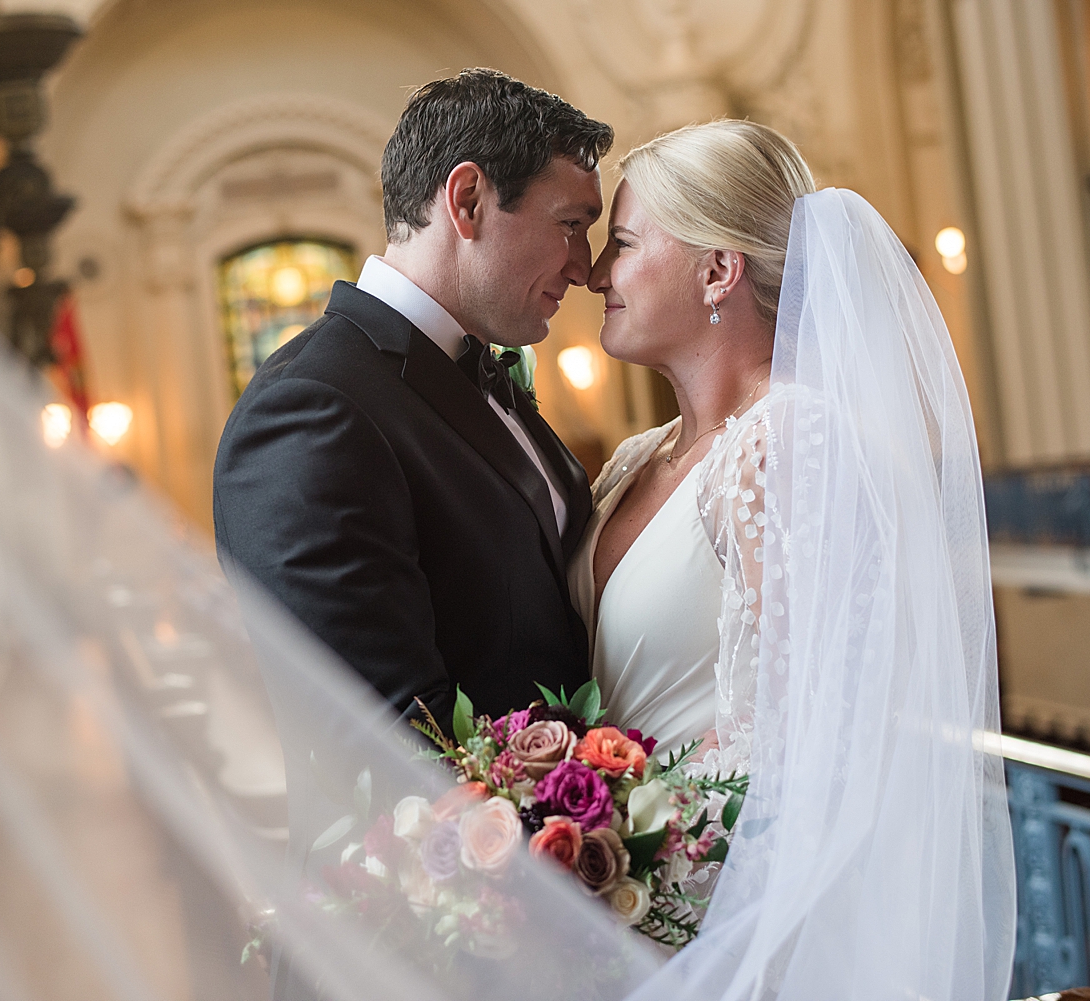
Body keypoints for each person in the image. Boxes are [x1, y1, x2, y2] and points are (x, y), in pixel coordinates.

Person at [579, 121, 1015, 999]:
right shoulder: (636, 457)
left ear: (718, 269)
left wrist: (624, 853)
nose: (596, 274)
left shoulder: (795, 440)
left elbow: (804, 740)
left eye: (622, 244)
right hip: (622, 907)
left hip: (728, 919)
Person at [213, 69, 611, 727]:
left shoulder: (476, 365)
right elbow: (391, 740)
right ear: (468, 200)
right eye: (571, 223)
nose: (583, 265)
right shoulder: (313, 410)